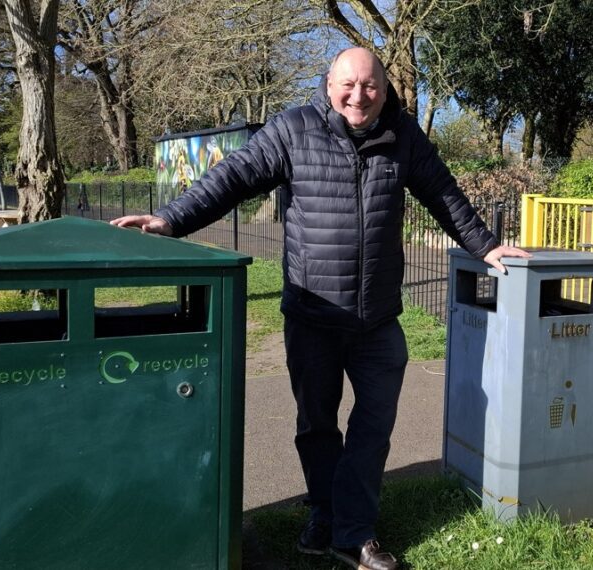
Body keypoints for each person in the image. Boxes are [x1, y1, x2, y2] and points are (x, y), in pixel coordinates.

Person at [111, 47, 529, 570]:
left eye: (371, 86)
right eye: (349, 85)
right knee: (317, 426)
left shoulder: (402, 137)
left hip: (378, 319)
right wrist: (170, 220)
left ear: (385, 88)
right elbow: (233, 177)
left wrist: (486, 246)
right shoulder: (294, 130)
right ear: (329, 85)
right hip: (312, 315)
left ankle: (354, 532)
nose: (360, 96)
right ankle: (326, 515)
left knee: (373, 429)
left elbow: (443, 194)